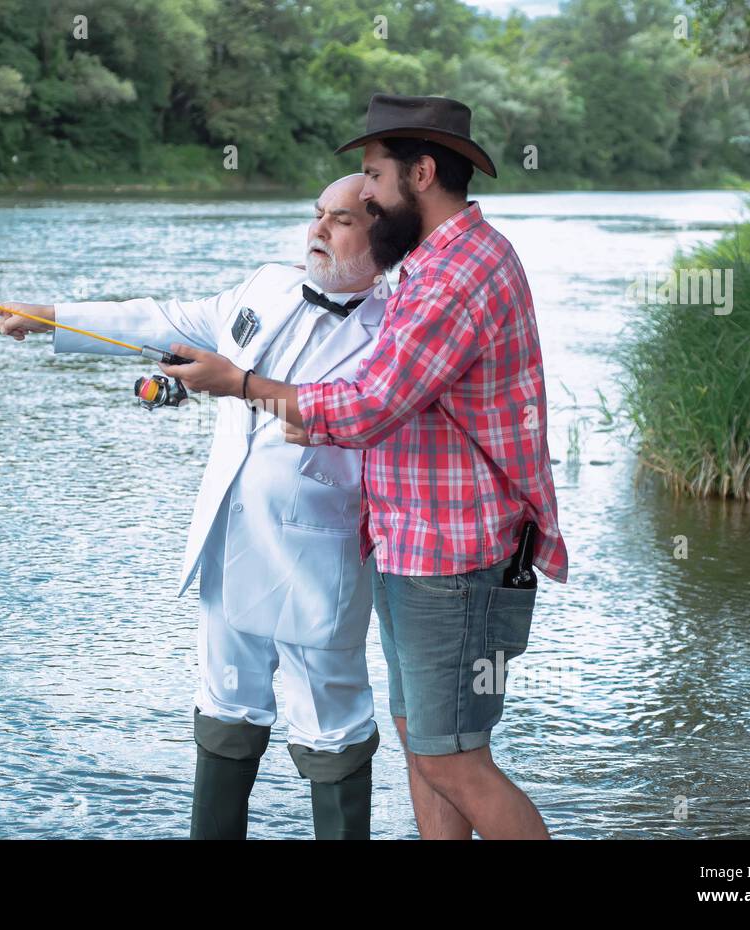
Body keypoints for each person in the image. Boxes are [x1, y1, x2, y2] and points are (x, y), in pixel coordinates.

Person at [158, 94, 569, 839]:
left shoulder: (453, 279)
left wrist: (240, 384)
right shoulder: (441, 259)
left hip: (459, 558)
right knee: (429, 748)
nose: (368, 198)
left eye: (374, 178)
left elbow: (370, 406)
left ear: (421, 173)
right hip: (420, 550)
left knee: (454, 761)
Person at [0, 174, 388, 839]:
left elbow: (353, 421)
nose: (316, 230)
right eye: (316, 215)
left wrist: (240, 384)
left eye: (339, 221)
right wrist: (53, 316)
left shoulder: (395, 333)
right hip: (227, 544)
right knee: (224, 713)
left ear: (382, 234)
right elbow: (163, 321)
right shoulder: (264, 286)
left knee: (332, 730)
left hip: (316, 562)